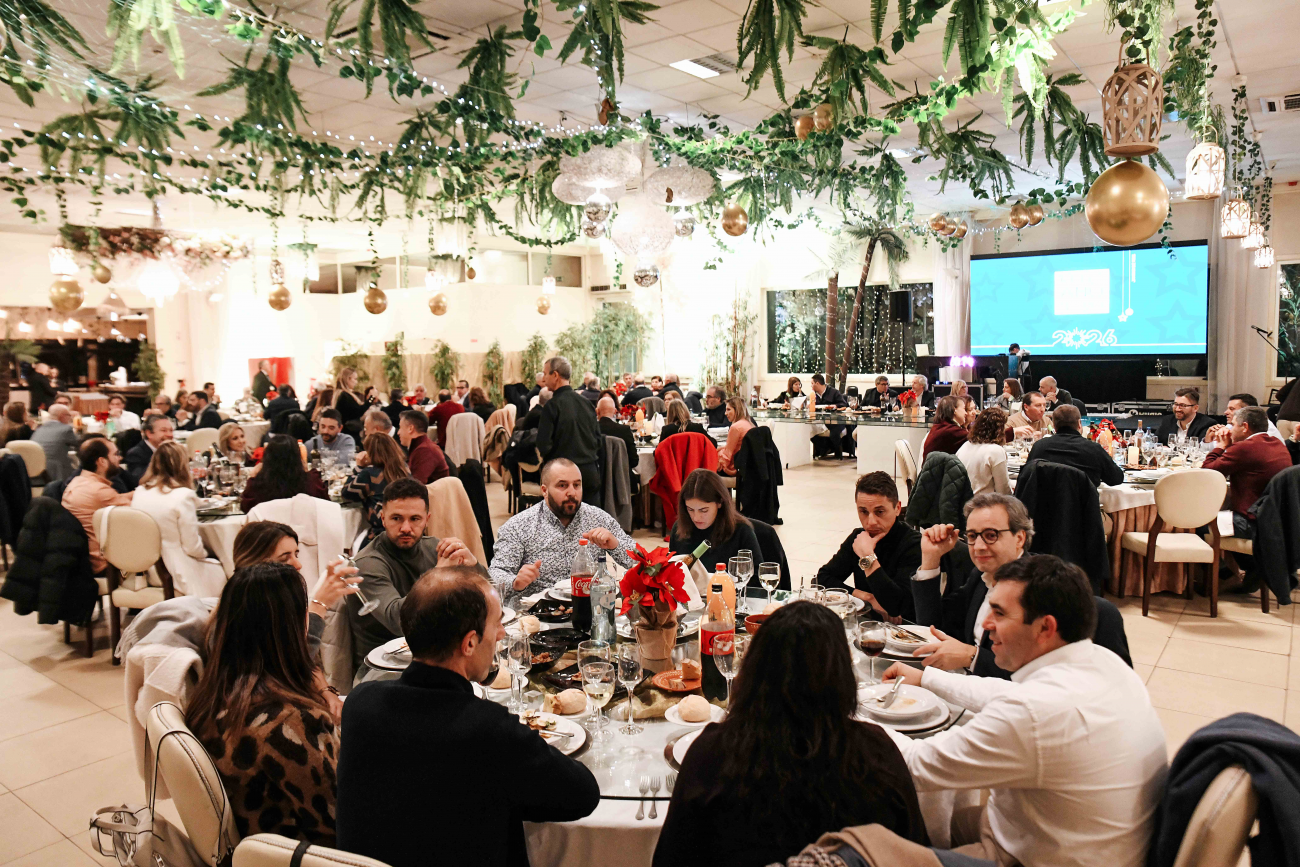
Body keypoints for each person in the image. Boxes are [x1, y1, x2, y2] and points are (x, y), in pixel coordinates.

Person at [882, 555, 1167, 867]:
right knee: (939, 819)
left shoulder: (1035, 712)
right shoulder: (1103, 661)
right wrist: (927, 678)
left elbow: (916, 766)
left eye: (1000, 613)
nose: (986, 624)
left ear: (1045, 628)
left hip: (1031, 857)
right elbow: (1007, 693)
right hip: (1084, 841)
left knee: (873, 841)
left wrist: (852, 713)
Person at [337, 566, 599, 867]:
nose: (502, 634)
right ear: (470, 643)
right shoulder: (489, 729)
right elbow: (583, 794)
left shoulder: (360, 704)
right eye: (497, 624)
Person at [655, 602, 926, 867]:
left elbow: (670, 858)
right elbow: (918, 853)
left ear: (753, 670)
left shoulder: (711, 753)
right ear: (843, 675)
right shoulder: (877, 752)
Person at [186, 562, 341, 845]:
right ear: (292, 627)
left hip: (255, 844)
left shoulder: (214, 693)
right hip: (302, 854)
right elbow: (338, 823)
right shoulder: (293, 722)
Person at [347, 478, 476, 676]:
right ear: (383, 518)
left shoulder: (433, 547)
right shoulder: (367, 563)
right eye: (396, 518)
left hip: (434, 659)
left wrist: (473, 567)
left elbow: (487, 597)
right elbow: (399, 622)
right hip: (382, 672)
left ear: (427, 519)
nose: (406, 528)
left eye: (415, 519)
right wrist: (438, 575)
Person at [489, 458, 635, 608]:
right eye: (562, 485)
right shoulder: (518, 526)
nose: (571, 492)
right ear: (544, 490)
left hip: (590, 609)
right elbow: (495, 575)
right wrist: (515, 582)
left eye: (576, 485)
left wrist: (615, 545)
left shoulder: (598, 518)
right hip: (538, 613)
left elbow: (641, 561)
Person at [815, 471, 922, 621]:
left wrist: (867, 556)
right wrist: (867, 598)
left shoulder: (913, 543)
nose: (871, 522)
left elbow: (897, 606)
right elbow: (822, 579)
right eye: (863, 511)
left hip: (908, 628)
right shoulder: (858, 537)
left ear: (897, 508)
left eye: (880, 512)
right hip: (867, 624)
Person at [1203, 406, 1293, 582]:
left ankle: (1225, 575)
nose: (1230, 430)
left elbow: (1208, 473)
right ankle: (1253, 571)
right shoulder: (1276, 444)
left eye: (1233, 425)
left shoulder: (1245, 447)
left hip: (1252, 523)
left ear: (1244, 427)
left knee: (1196, 522)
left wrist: (1220, 446)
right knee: (1217, 516)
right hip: (1275, 521)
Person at [131, 441, 226, 597]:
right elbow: (192, 547)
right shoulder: (183, 496)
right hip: (177, 571)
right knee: (225, 569)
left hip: (146, 568)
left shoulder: (140, 491)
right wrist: (208, 554)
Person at [61, 436, 134, 576]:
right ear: (102, 461)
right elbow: (140, 513)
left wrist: (140, 492)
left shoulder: (78, 482)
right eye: (115, 454)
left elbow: (117, 499)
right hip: (106, 565)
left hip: (85, 559)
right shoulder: (100, 491)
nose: (120, 458)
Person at [536, 356, 603, 506]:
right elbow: (598, 440)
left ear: (555, 375)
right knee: (591, 519)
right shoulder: (587, 404)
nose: (544, 378)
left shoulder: (552, 406)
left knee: (561, 520)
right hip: (589, 473)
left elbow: (543, 445)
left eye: (545, 374)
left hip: (564, 478)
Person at [668, 469, 761, 574]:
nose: (696, 518)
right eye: (690, 509)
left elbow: (756, 577)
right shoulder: (679, 529)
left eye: (704, 510)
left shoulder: (742, 532)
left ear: (720, 502)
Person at [1024, 404, 1124, 487]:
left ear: (1053, 425)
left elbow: (1026, 477)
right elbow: (1116, 479)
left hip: (1045, 505)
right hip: (1084, 504)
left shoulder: (1039, 446)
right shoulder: (1093, 449)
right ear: (1079, 424)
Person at [342, 433, 411, 543]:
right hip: (406, 527)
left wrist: (359, 467)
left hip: (380, 535)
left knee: (351, 541)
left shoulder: (370, 473)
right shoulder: (404, 468)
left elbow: (347, 493)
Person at [240, 434, 329, 513]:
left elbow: (246, 509)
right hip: (304, 526)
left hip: (269, 526)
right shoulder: (312, 482)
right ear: (297, 457)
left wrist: (252, 477)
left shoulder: (257, 486)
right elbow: (326, 505)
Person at [957, 406, 1011, 495]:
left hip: (964, 499)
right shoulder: (996, 451)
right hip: (983, 501)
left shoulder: (965, 445)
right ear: (1000, 430)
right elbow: (1003, 491)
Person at [596, 396, 639, 492]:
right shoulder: (624, 430)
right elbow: (634, 461)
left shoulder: (590, 431)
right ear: (615, 411)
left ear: (597, 411)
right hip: (623, 482)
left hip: (597, 481)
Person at [396, 410, 449, 484]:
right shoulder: (421, 447)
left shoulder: (425, 450)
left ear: (410, 429)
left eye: (400, 427)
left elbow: (415, 486)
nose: (398, 432)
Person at [31, 403, 78, 482]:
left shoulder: (39, 429)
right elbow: (80, 445)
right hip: (56, 471)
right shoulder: (66, 429)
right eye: (68, 415)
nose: (70, 418)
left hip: (35, 470)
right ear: (62, 416)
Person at [125, 413, 175, 484]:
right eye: (164, 430)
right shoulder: (136, 454)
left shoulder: (172, 450)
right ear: (149, 433)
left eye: (171, 430)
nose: (169, 435)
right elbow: (140, 480)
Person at [1208, 393, 1282, 440]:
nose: (1226, 412)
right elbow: (1214, 449)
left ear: (1247, 410)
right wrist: (1208, 439)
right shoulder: (1233, 424)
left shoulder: (1265, 429)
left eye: (1232, 409)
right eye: (1227, 409)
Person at [922, 395, 969, 460]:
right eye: (964, 409)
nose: (966, 413)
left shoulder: (940, 427)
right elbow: (973, 438)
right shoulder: (950, 431)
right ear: (954, 410)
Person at [717, 397, 754, 476]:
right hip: (747, 467)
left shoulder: (735, 427)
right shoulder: (748, 423)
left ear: (737, 410)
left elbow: (727, 457)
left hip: (734, 468)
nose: (725, 413)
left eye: (728, 409)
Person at [1277, 378, 1300, 442]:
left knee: (1284, 446)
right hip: (1298, 421)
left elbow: (1279, 394)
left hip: (1283, 418)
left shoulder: (1297, 380)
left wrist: (1288, 405)